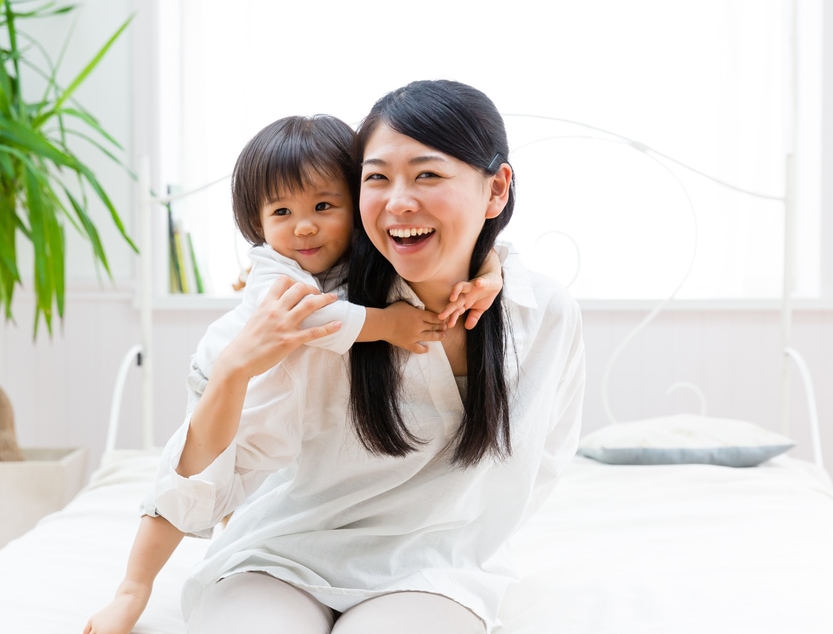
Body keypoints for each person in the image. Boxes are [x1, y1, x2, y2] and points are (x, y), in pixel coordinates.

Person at [146, 80, 584, 634]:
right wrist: (231, 371)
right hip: (281, 558)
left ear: (496, 190)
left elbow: (544, 460)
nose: (399, 201)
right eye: (376, 178)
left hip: (434, 572)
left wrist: (495, 265)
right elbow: (219, 475)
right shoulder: (322, 314)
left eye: (427, 174)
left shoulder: (540, 314)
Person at [83, 113, 503, 634]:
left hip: (293, 405)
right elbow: (314, 319)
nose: (303, 226)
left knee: (251, 489)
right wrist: (387, 323)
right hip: (241, 383)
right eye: (281, 211)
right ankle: (134, 587)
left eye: (324, 206)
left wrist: (491, 271)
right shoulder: (272, 270)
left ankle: (245, 524)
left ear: (355, 204)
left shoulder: (373, 252)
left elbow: (473, 246)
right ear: (258, 224)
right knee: (185, 489)